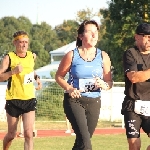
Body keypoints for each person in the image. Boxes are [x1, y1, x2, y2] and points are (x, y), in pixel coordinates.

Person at [55, 20, 113, 150]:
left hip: (94, 102)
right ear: (81, 36)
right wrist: (69, 88)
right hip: (75, 101)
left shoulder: (103, 56)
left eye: (96, 32)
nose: (94, 35)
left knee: (82, 142)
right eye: (90, 32)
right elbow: (58, 76)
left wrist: (104, 85)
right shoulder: (72, 55)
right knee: (86, 144)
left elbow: (109, 82)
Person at [0, 30, 42, 150]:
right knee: (12, 134)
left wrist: (37, 78)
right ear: (15, 43)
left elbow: (31, 70)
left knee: (29, 133)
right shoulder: (9, 57)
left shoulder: (31, 56)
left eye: (26, 42)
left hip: (29, 98)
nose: (24, 45)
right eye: (21, 42)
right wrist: (13, 72)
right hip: (13, 99)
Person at [122, 23, 150, 150]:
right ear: (137, 37)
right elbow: (133, 77)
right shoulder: (131, 53)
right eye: (146, 36)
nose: (149, 39)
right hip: (133, 105)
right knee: (134, 144)